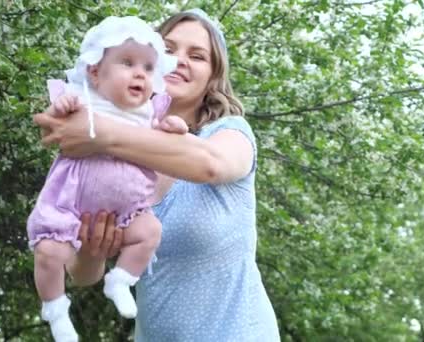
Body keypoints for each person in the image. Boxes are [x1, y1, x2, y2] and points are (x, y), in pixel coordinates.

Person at [33, 9, 281, 341]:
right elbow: (83, 274)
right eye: (168, 49)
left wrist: (98, 132)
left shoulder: (230, 133)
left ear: (213, 76)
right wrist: (94, 249)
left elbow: (211, 164)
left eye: (197, 56)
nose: (179, 61)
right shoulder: (117, 163)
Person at [27, 16, 187, 342]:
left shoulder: (149, 114)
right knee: (49, 252)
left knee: (150, 231)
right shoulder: (84, 99)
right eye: (127, 63)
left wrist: (176, 129)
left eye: (147, 66)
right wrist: (62, 106)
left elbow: (168, 143)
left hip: (126, 213)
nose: (140, 72)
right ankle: (55, 308)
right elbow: (52, 124)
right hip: (70, 205)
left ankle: (122, 280)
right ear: (95, 72)